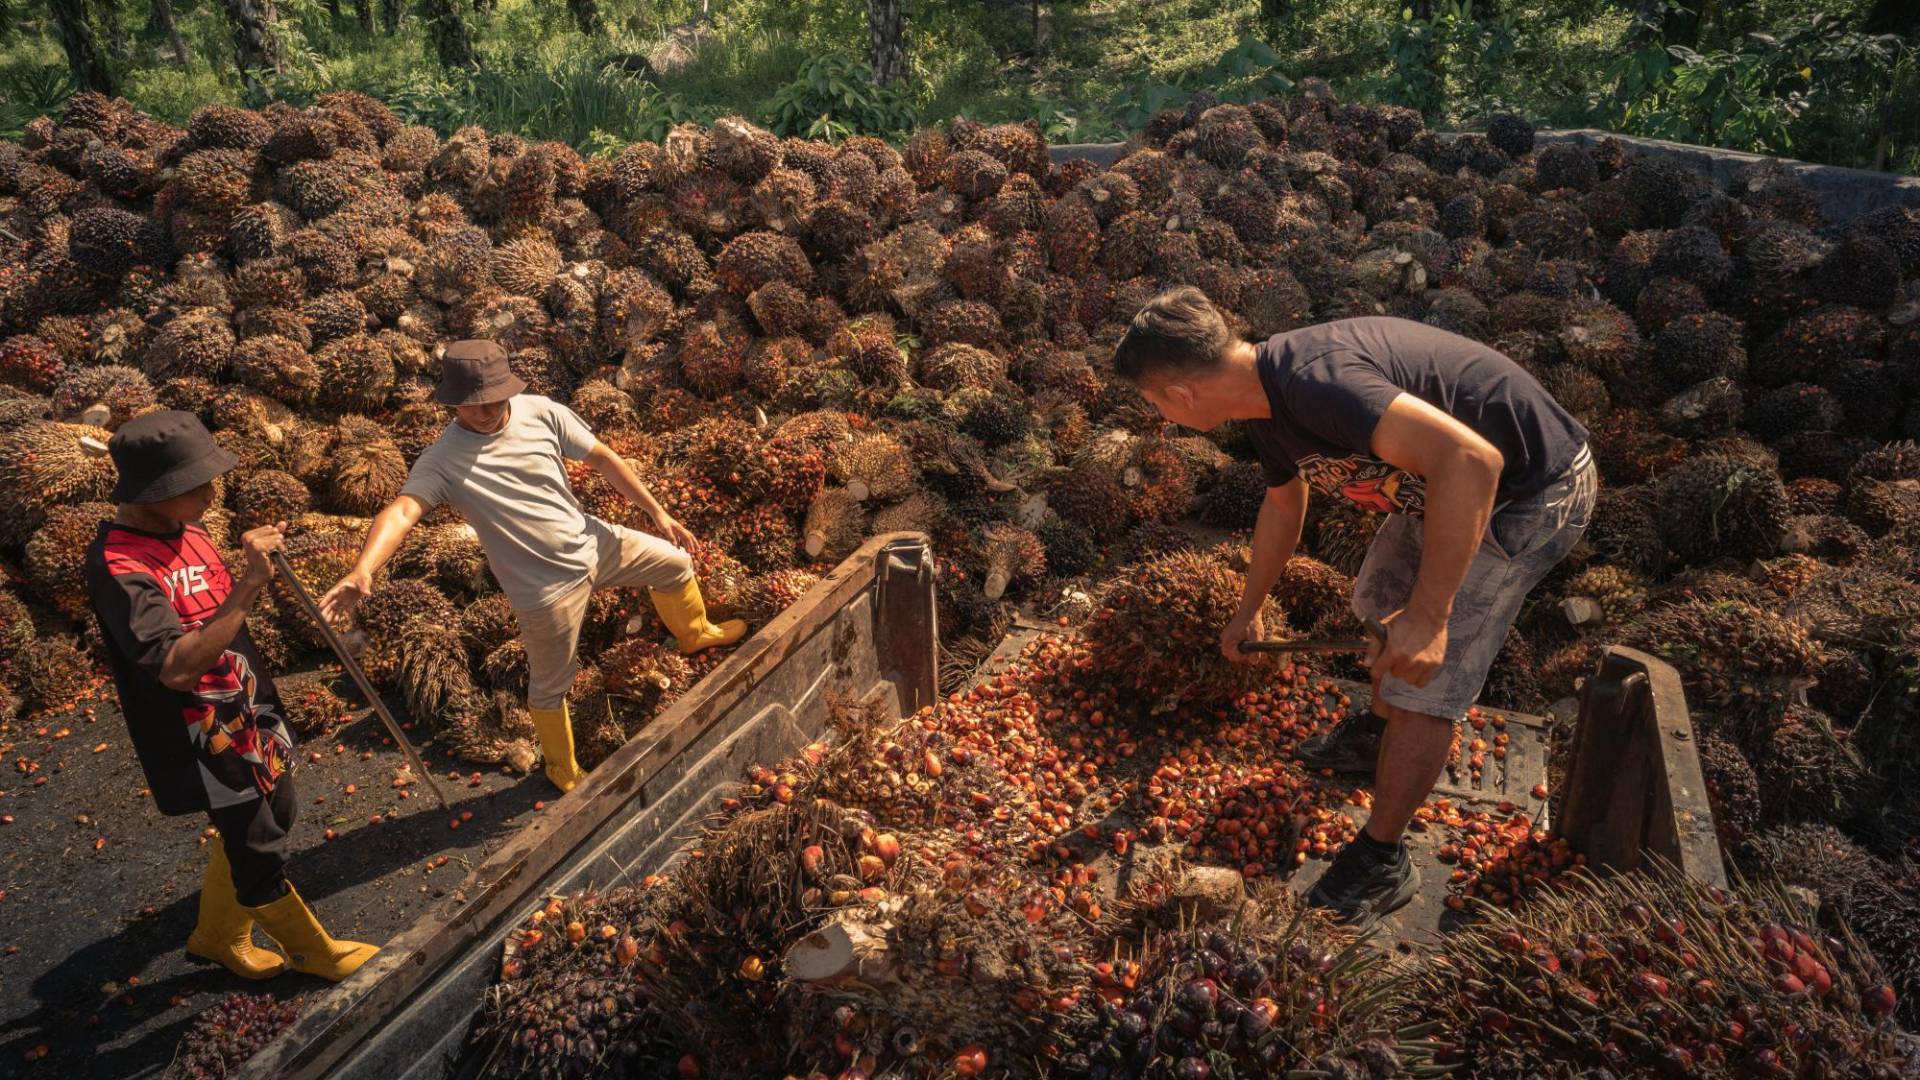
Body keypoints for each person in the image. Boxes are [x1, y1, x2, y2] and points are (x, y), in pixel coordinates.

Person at [1112, 288, 1595, 923]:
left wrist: (1430, 617)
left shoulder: (1317, 381)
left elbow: (1473, 458)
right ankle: (1377, 735)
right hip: (1441, 485)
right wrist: (1247, 608)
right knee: (1374, 600)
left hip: (1528, 491)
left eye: (1152, 402)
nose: (1160, 416)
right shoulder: (1261, 403)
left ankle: (1381, 859)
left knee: (1426, 676)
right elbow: (1284, 506)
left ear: (1180, 395)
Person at [318, 340, 745, 794]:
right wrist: (365, 567)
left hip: (594, 542)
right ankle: (561, 767)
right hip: (544, 590)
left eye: (494, 399)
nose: (485, 411)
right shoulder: (442, 460)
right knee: (551, 685)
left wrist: (656, 512)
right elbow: (402, 511)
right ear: (453, 402)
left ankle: (694, 633)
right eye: (472, 404)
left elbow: (602, 459)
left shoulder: (540, 411)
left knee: (675, 564)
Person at [85, 411, 379, 982]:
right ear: (154, 492)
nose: (213, 493)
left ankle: (218, 934)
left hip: (249, 709)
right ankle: (312, 951)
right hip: (200, 732)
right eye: (197, 485)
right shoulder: (119, 566)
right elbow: (174, 668)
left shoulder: (190, 530)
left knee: (282, 808)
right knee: (256, 844)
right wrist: (248, 584)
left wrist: (254, 570)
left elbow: (220, 615)